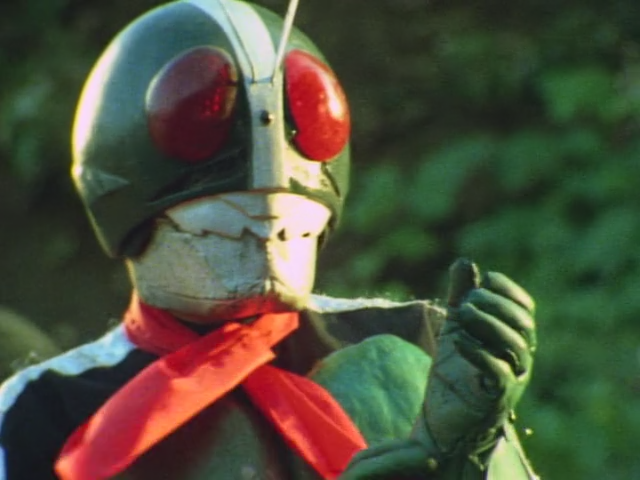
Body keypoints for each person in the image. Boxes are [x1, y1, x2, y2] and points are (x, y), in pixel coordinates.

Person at [0, 1, 538, 478]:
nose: (268, 222)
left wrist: (476, 457)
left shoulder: (422, 340)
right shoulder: (47, 408)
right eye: (229, 209)